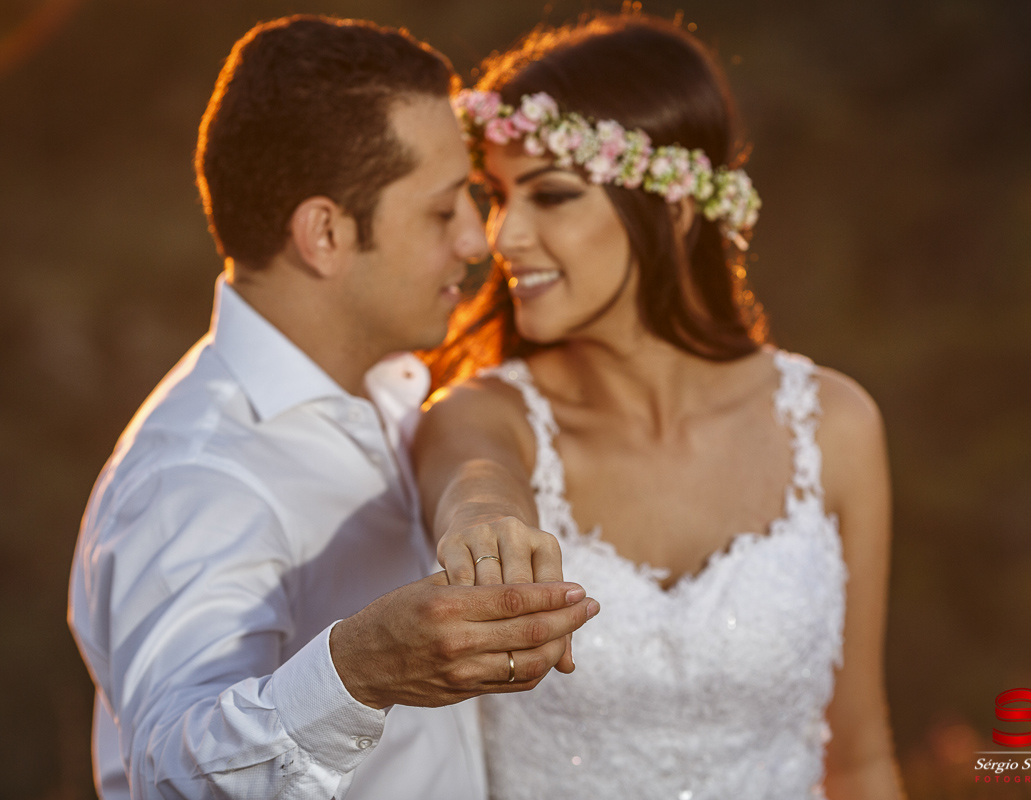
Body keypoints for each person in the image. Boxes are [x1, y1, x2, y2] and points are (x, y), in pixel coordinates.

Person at [67, 15, 599, 800]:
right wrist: (359, 669)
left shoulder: (397, 393)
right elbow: (173, 772)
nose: (478, 242)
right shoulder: (196, 474)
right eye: (443, 209)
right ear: (324, 233)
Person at [414, 13, 904, 799]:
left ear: (673, 211)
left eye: (553, 196)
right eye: (499, 197)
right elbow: (475, 475)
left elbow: (861, 755)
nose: (504, 238)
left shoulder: (834, 425)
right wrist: (484, 524)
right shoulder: (483, 414)